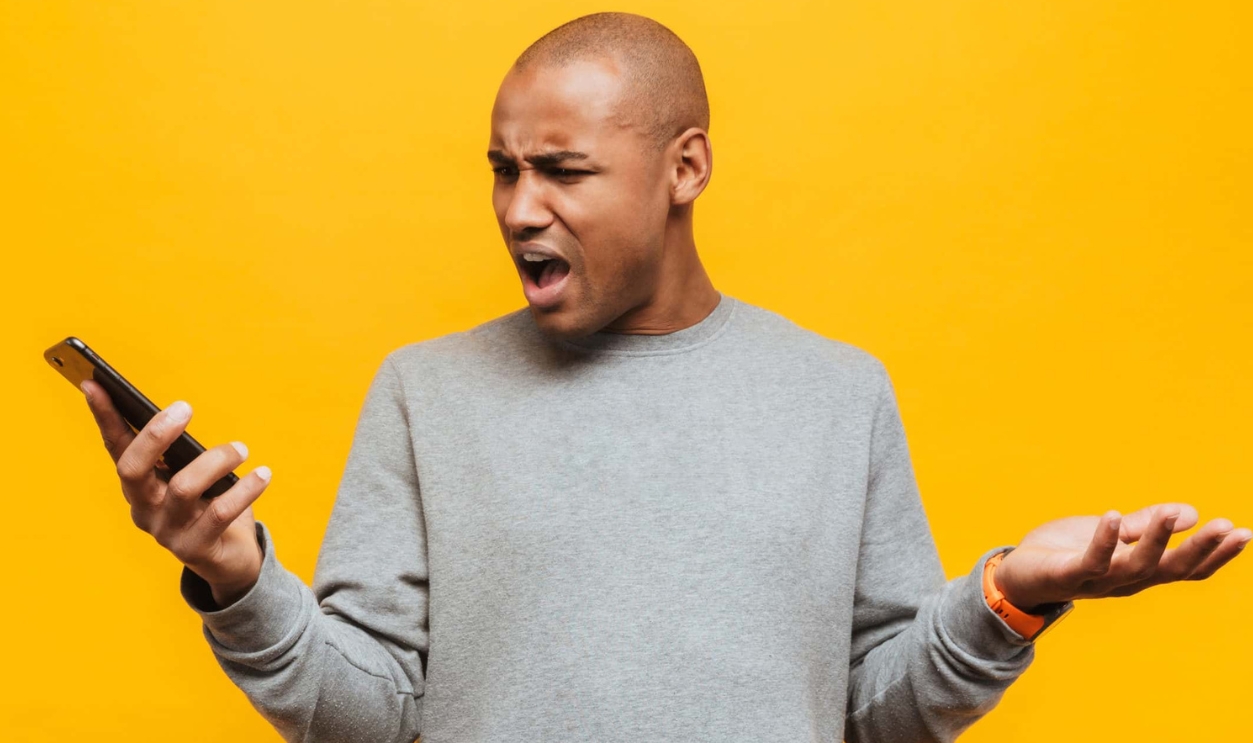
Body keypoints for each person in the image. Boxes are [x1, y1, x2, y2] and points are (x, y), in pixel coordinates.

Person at [79, 12, 1248, 743]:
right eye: (500, 169)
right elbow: (372, 716)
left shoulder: (836, 393)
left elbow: (872, 715)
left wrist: (1006, 592)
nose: (517, 207)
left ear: (683, 165)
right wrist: (235, 578)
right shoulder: (423, 391)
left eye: (561, 170)